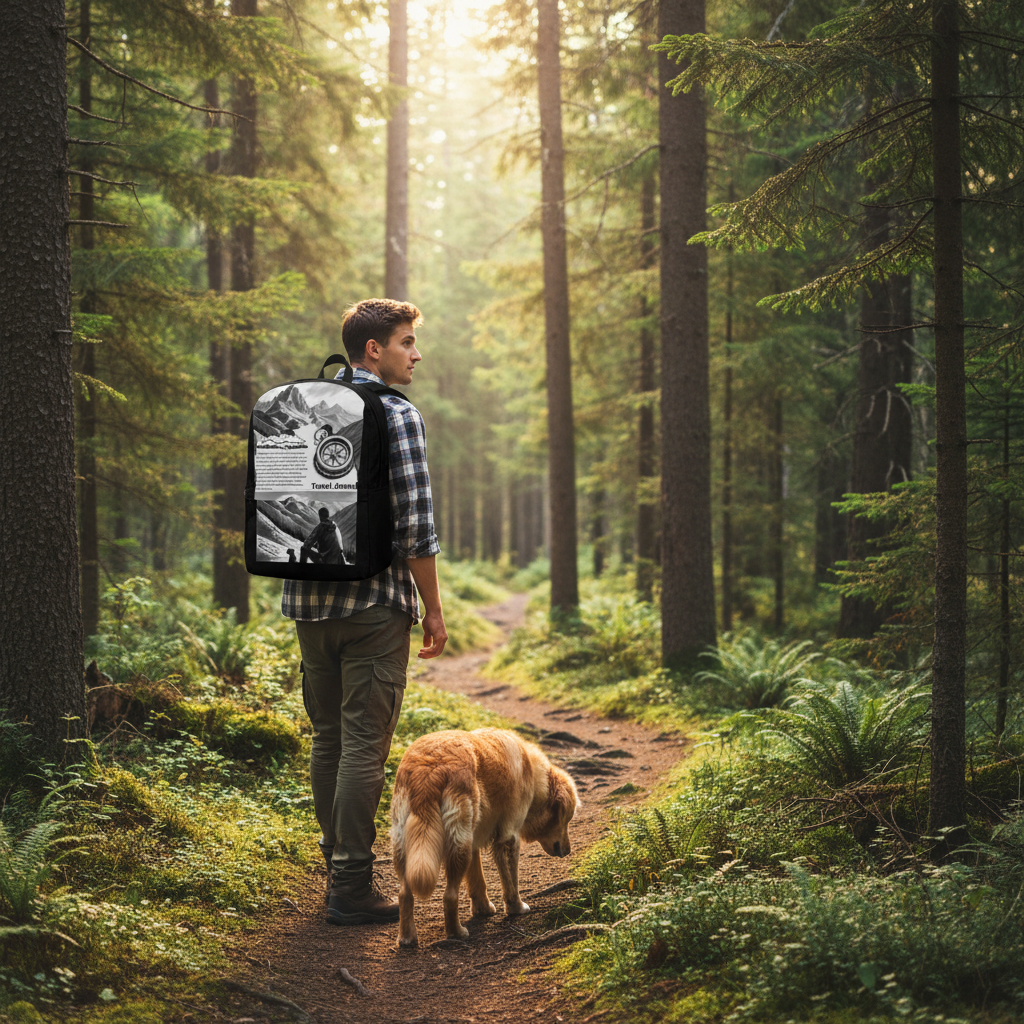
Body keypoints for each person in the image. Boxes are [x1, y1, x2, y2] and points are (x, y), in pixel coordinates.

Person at [282, 298, 448, 926]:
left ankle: (336, 866)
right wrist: (432, 610)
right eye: (407, 342)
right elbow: (415, 524)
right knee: (364, 747)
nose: (416, 353)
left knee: (329, 738)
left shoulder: (306, 408)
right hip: (375, 604)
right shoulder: (398, 416)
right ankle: (351, 885)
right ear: (373, 350)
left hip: (306, 602)